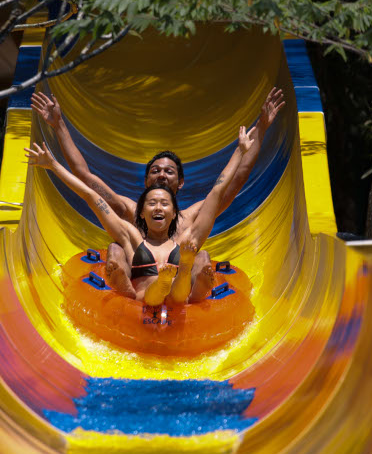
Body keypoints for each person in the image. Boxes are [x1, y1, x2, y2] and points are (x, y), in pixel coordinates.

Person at [30, 87, 285, 302]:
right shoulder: (129, 210)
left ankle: (191, 284)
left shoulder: (190, 218)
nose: (162, 175)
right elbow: (86, 180)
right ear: (145, 182)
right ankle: (126, 286)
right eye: (155, 170)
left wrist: (261, 128)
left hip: (180, 291)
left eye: (169, 172)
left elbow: (232, 183)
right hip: (139, 288)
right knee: (116, 249)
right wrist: (59, 124)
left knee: (202, 256)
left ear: (180, 183)